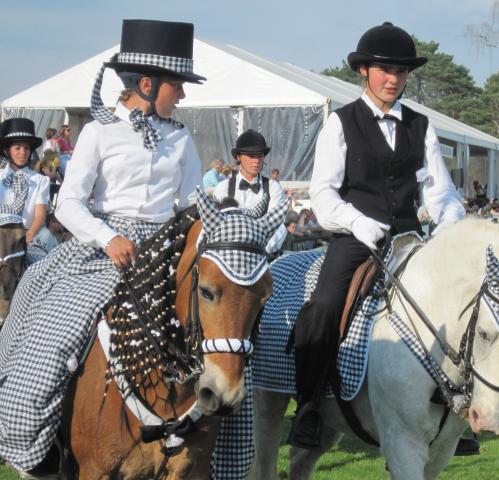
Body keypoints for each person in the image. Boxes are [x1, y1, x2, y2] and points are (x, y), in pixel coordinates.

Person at [0, 19, 205, 475]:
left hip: (168, 250)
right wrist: (107, 238)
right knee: (53, 334)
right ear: (147, 85)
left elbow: (191, 203)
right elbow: (69, 202)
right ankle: (40, 439)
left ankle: (219, 449)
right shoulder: (98, 131)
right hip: (104, 250)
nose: (183, 95)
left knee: (227, 340)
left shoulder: (180, 136)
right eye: (178, 85)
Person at [289, 22, 465, 449]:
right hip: (355, 236)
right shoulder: (340, 123)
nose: (394, 79)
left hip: (408, 237)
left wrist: (448, 220)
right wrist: (356, 221)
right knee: (327, 303)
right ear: (364, 71)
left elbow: (440, 190)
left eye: (401, 72)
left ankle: (454, 406)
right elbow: (323, 192)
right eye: (385, 70)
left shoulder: (422, 126)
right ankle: (309, 406)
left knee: (455, 306)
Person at [212, 129, 287, 255]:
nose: (256, 160)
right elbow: (214, 225)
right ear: (238, 157)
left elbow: (278, 226)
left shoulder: (274, 188)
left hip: (263, 256)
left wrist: (261, 250)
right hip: (229, 255)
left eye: (260, 155)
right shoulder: (223, 188)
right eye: (251, 156)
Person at [0, 118, 51, 264]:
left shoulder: (41, 180)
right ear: (7, 150)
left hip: (26, 237)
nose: (23, 152)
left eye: (26, 148)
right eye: (17, 148)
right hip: (1, 238)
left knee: (38, 269)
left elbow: (40, 215)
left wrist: (29, 235)